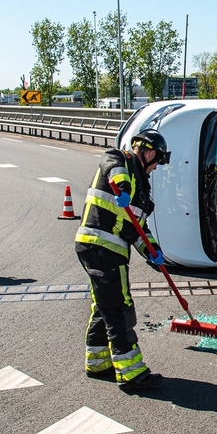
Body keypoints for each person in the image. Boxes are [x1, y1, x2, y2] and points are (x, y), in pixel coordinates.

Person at [75, 129, 170, 392]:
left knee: (104, 306)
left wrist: (152, 250)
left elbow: (136, 228)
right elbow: (111, 165)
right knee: (119, 307)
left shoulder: (142, 188)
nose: (157, 167)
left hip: (105, 249)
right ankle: (131, 374)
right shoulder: (120, 160)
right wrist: (124, 187)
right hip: (100, 247)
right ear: (150, 152)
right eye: (158, 160)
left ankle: (97, 362)